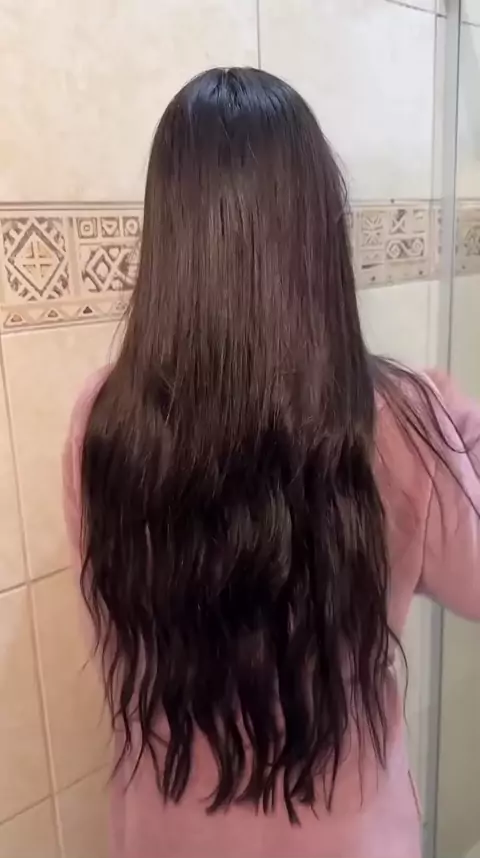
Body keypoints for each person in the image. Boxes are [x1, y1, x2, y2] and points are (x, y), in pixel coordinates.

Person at [62, 68, 480, 858]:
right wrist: (463, 430)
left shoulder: (102, 420)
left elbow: (115, 629)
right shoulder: (401, 419)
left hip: (163, 832)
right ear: (318, 231)